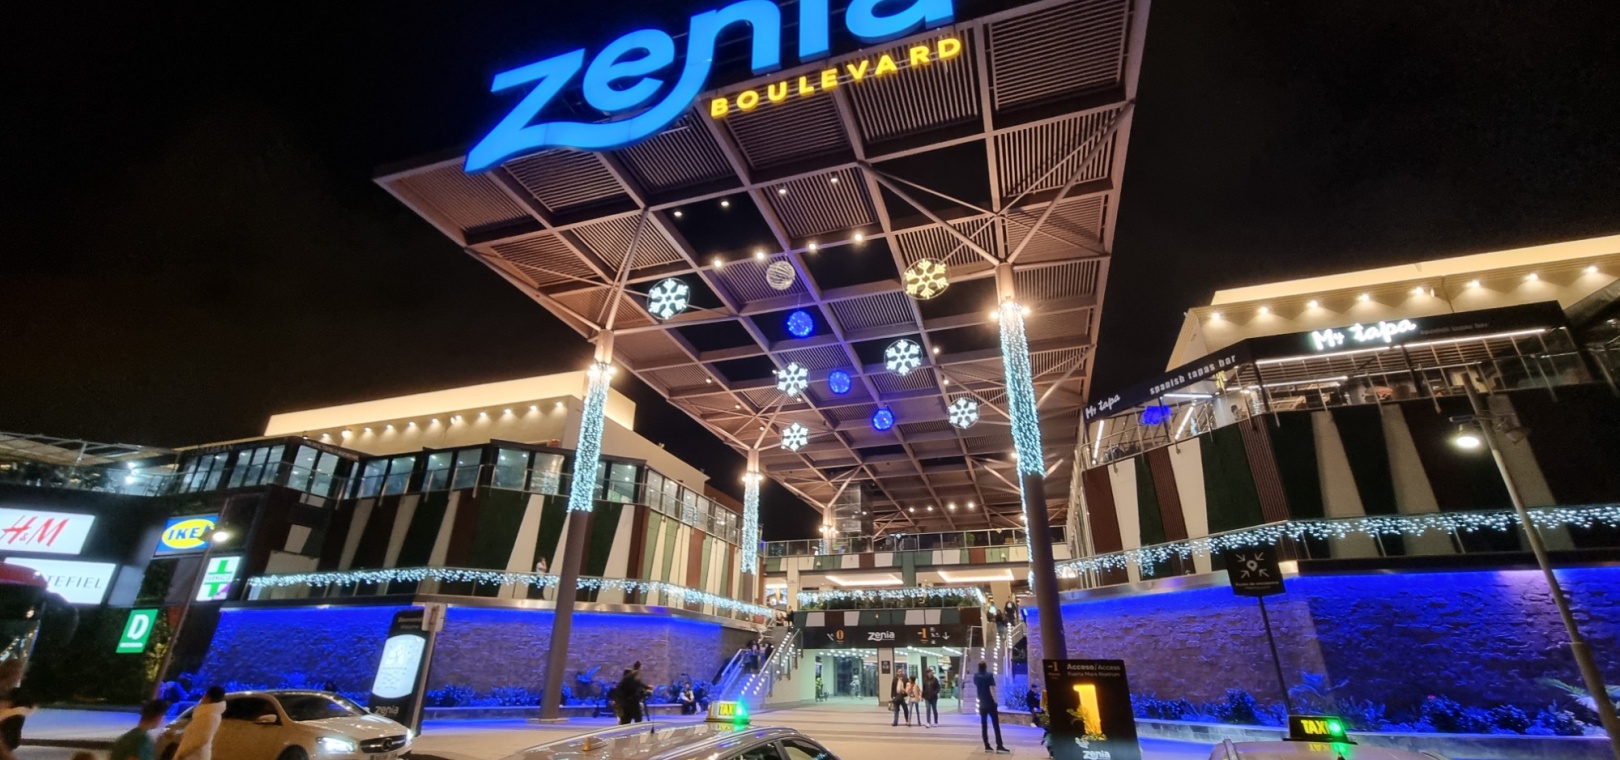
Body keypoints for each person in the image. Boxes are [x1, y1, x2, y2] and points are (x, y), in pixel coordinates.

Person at [176, 685, 226, 760]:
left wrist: (182, 753)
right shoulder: (204, 715)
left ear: (207, 698)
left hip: (195, 756)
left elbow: (201, 739)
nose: (201, 699)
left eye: (204, 696)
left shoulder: (210, 716)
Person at [974, 662, 1008, 754]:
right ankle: (999, 745)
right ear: (986, 667)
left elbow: (977, 686)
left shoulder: (976, 676)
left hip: (982, 703)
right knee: (996, 725)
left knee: (984, 726)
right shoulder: (989, 675)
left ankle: (987, 746)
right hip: (990, 703)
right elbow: (992, 689)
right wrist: (996, 700)